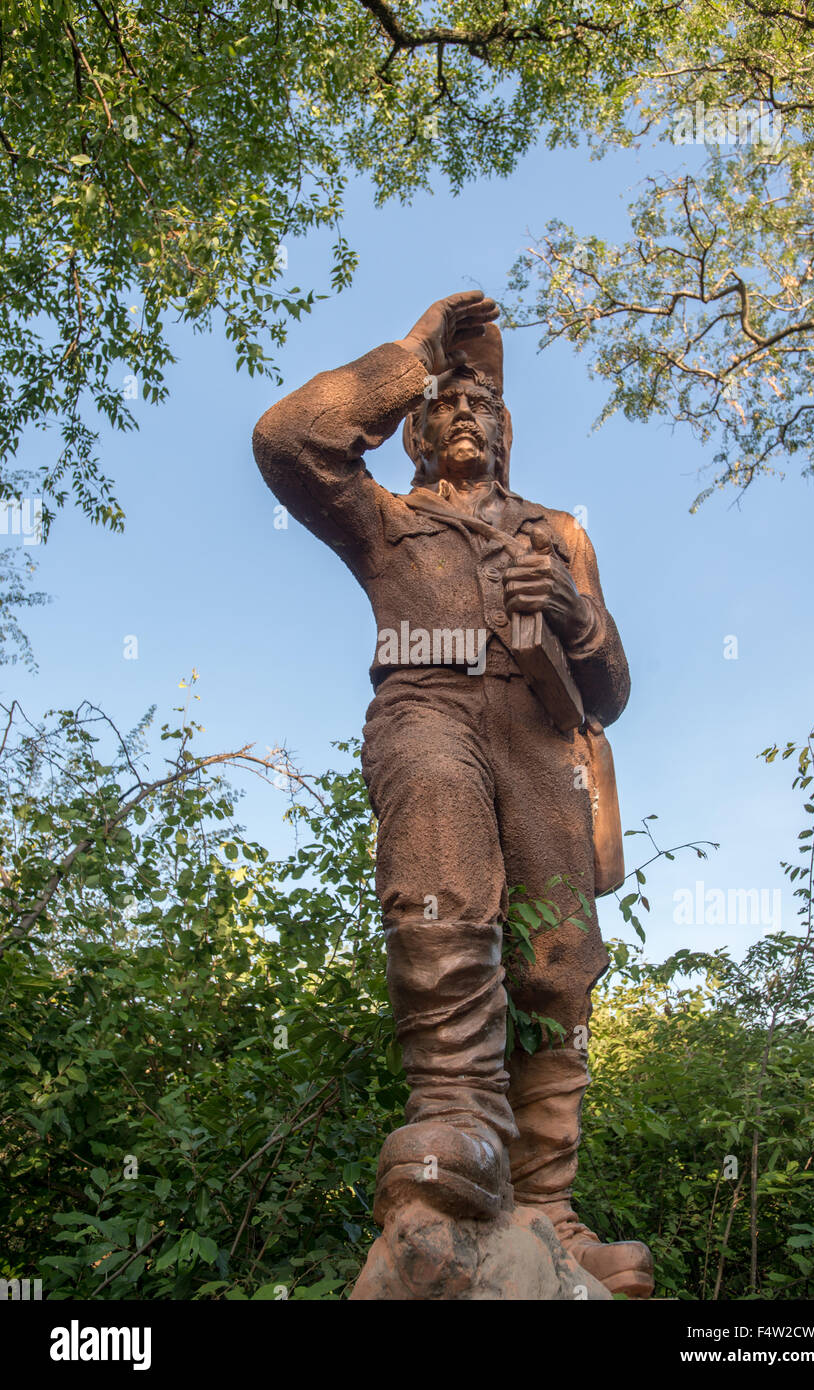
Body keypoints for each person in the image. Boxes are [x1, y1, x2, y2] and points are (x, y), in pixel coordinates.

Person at [253, 291, 653, 1297]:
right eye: (447, 405)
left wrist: (573, 615)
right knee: (442, 854)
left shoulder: (557, 533)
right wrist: (414, 353)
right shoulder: (385, 518)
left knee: (558, 966)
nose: (469, 413)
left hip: (542, 738)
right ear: (418, 429)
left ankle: (550, 1207)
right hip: (428, 705)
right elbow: (289, 438)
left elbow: (610, 692)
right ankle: (458, 1120)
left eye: (487, 407)